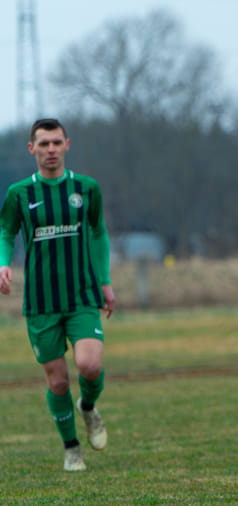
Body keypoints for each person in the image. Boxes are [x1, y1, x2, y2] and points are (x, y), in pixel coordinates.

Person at [0, 118, 115, 472]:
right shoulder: (20, 194)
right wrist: (3, 263)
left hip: (82, 295)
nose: (50, 149)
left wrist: (105, 281)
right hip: (40, 302)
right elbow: (5, 233)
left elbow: (98, 233)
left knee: (89, 365)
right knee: (59, 380)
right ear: (31, 149)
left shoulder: (87, 188)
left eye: (56, 142)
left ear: (67, 144)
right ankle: (71, 448)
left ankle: (88, 407)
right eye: (43, 143)